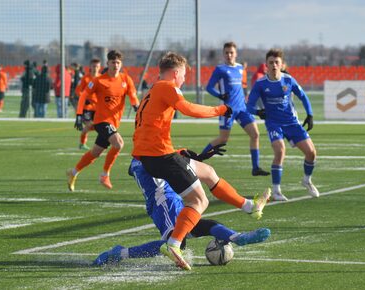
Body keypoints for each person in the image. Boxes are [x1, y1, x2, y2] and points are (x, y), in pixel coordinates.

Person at [132, 51, 271, 270]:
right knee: (199, 201)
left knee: (207, 171)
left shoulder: (153, 91)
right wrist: (221, 109)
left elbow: (147, 131)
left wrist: (181, 152)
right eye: (184, 74)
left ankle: (250, 207)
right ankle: (174, 245)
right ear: (176, 72)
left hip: (155, 155)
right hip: (159, 156)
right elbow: (189, 109)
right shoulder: (167, 87)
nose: (184, 79)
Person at [93, 148, 271, 266]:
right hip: (162, 202)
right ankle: (120, 253)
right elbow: (155, 162)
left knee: (197, 225)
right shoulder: (142, 162)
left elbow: (167, 158)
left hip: (172, 198)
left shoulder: (149, 154)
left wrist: (185, 155)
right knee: (177, 243)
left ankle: (238, 237)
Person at [247, 48, 319, 201]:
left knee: (311, 153)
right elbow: (249, 106)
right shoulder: (260, 84)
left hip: (292, 122)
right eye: (270, 62)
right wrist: (258, 112)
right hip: (274, 124)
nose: (273, 65)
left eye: (276, 62)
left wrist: (310, 114)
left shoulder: (288, 80)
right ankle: (276, 191)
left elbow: (303, 97)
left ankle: (307, 180)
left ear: (281, 64)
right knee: (280, 151)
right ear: (266, 65)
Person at [67, 50, 139, 190]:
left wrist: (136, 105)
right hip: (101, 121)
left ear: (121, 64)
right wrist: (79, 115)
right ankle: (105, 175)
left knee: (95, 153)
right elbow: (82, 96)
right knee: (118, 143)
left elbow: (133, 95)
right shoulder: (99, 80)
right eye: (113, 62)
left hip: (114, 122)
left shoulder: (126, 80)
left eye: (118, 62)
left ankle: (73, 172)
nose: (116, 65)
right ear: (108, 63)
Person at [202, 42, 269, 177]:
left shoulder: (240, 68)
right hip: (227, 110)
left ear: (236, 54)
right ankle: (199, 158)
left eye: (231, 52)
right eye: (226, 52)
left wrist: (252, 106)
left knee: (255, 134)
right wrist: (219, 95)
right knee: (223, 139)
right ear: (223, 54)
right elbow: (209, 87)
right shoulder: (220, 69)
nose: (229, 55)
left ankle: (255, 168)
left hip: (242, 109)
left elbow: (241, 88)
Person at [74, 58, 101, 150]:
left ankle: (102, 144)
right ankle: (82, 143)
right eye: (94, 66)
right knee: (89, 125)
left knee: (99, 126)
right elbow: (77, 91)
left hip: (98, 108)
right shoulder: (85, 78)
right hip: (87, 108)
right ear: (90, 67)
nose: (95, 68)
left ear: (100, 67)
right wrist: (84, 98)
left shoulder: (102, 78)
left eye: (97, 66)